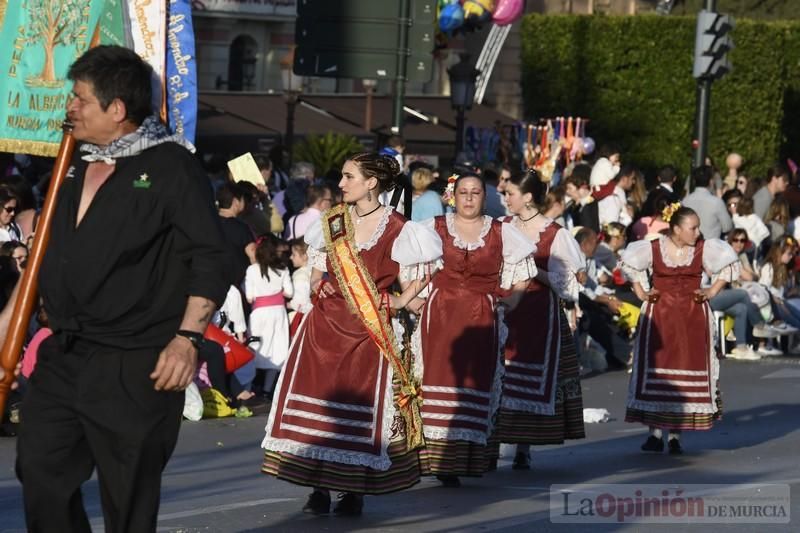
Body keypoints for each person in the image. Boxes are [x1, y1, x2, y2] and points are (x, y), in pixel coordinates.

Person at [14, 46, 229, 531]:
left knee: (127, 496)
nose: (70, 107)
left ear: (116, 109)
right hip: (65, 354)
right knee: (40, 471)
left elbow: (210, 257)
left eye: (80, 99)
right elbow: (50, 250)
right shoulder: (72, 164)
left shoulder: (173, 166)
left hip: (138, 361)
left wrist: (187, 340)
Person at [261, 152, 441, 515]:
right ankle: (318, 485)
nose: (340, 184)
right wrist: (318, 288)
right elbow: (316, 269)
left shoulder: (399, 228)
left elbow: (415, 282)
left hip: (368, 330)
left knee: (358, 410)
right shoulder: (332, 222)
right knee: (323, 407)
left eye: (348, 177)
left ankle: (352, 488)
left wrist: (398, 302)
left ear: (371, 182)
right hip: (325, 328)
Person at [412, 173, 534, 486]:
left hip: (481, 317)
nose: (469, 198)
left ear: (484, 196)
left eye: (475, 192)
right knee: (437, 383)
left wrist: (510, 302)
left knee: (472, 384)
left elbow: (523, 273)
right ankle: (434, 458)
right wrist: (414, 301)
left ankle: (460, 459)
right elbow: (411, 267)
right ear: (452, 196)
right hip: (439, 315)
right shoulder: (434, 228)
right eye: (463, 192)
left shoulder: (501, 232)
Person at [619, 206, 738, 454]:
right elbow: (629, 267)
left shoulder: (703, 249)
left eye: (697, 227)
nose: (697, 231)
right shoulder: (653, 248)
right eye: (692, 227)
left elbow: (728, 266)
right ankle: (654, 432)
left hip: (692, 317)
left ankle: (674, 435)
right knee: (658, 372)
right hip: (660, 316)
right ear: (676, 229)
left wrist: (711, 291)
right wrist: (641, 292)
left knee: (684, 369)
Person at [492, 169, 586, 469]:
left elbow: (568, 284)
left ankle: (523, 445)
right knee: (498, 375)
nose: (505, 198)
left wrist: (533, 269)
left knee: (529, 375)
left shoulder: (554, 233)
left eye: (510, 193)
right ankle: (491, 444)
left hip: (538, 311)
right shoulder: (502, 225)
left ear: (528, 197)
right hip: (505, 307)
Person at [245, 236, 293, 396]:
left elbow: (249, 297)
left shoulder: (252, 270)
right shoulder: (283, 269)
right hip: (278, 313)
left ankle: (248, 388)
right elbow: (289, 292)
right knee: (277, 350)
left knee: (254, 348)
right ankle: (267, 390)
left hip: (259, 313)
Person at [216, 181, 255, 284]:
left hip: (213, 282)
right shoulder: (241, 228)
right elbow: (253, 255)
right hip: (237, 283)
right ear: (236, 202)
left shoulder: (209, 223)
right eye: (242, 199)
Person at [682, 165, 732, 240]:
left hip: (689, 246)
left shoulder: (685, 201)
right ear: (711, 182)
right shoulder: (717, 202)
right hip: (711, 246)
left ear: (695, 181)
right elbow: (727, 227)